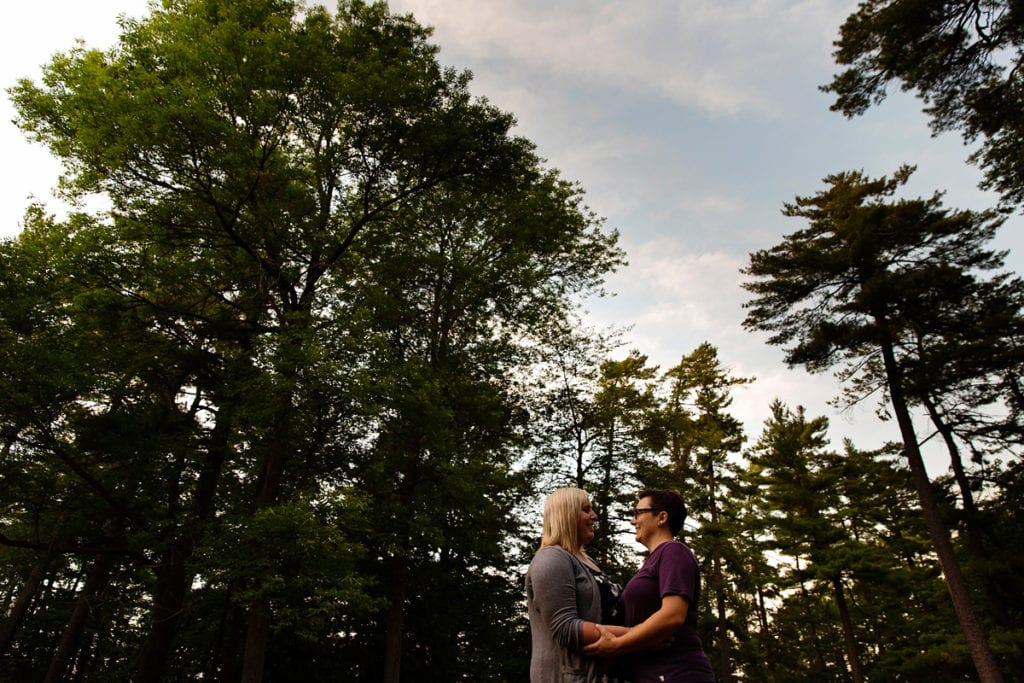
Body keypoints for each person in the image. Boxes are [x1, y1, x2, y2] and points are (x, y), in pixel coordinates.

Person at [584, 488, 715, 682]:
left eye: (638, 513)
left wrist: (617, 644)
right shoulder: (654, 561)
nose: (632, 520)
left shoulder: (673, 551)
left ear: (661, 517)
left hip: (678, 672)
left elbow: (673, 615)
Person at [525, 487, 629, 682]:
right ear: (567, 514)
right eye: (586, 509)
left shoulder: (586, 561)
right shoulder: (551, 558)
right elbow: (566, 627)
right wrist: (637, 637)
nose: (594, 516)